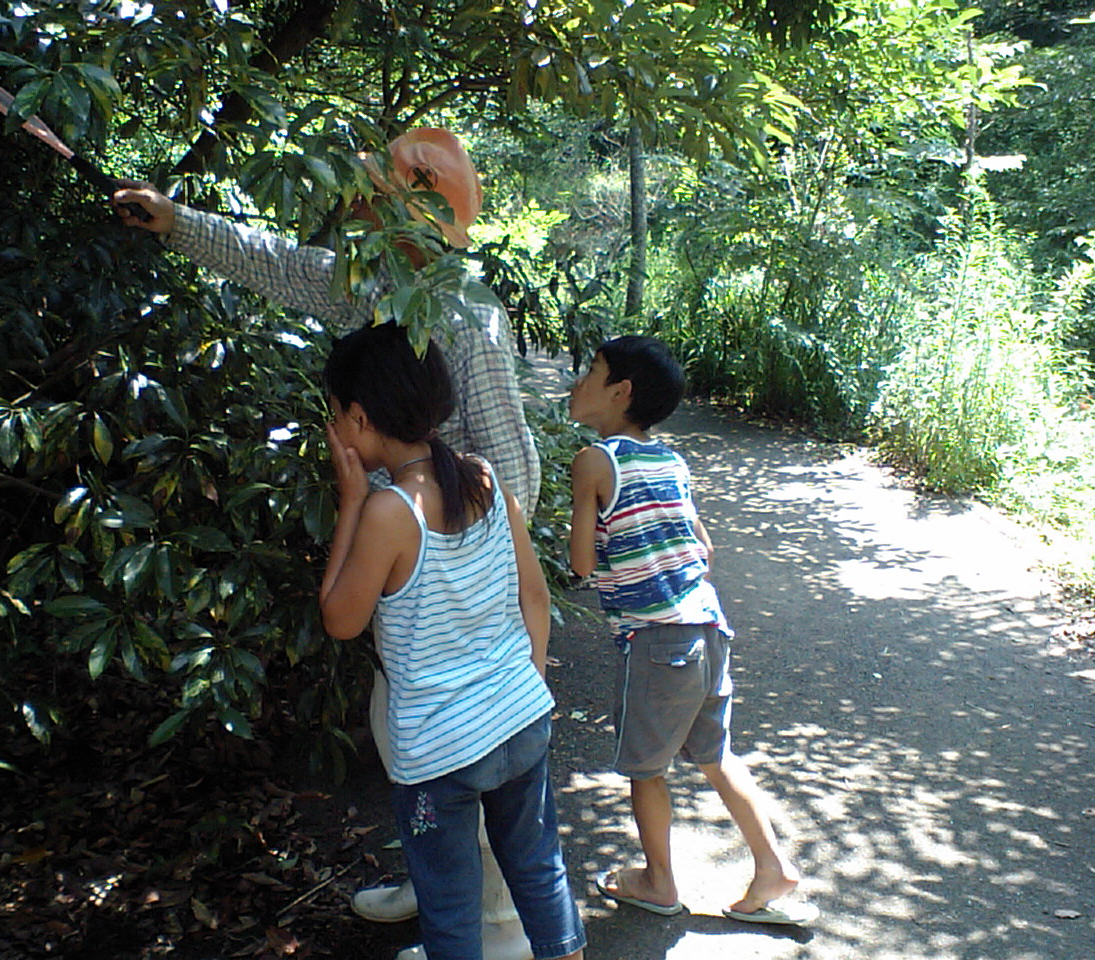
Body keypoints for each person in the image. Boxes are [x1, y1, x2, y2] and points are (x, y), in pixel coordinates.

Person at [112, 129, 539, 959]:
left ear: (418, 205)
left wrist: (492, 590)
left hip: (450, 576)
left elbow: (511, 459)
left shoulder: (467, 313)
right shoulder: (377, 285)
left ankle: (496, 929)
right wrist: (176, 222)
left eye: (379, 196)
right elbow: (277, 262)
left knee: (459, 742)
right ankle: (438, 883)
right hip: (406, 567)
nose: (359, 210)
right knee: (405, 733)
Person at [319, 321, 585, 960]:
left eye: (336, 416)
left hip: (439, 753)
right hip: (519, 719)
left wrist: (351, 500)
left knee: (449, 904)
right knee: (537, 868)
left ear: (360, 417)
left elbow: (339, 619)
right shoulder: (484, 478)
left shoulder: (389, 511)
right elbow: (536, 597)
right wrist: (529, 688)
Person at [567, 335, 818, 927]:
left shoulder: (595, 462)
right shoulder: (671, 461)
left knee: (646, 769)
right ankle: (771, 866)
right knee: (715, 753)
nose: (578, 381)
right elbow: (703, 547)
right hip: (708, 626)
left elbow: (579, 563)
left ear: (621, 393)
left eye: (592, 371)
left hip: (658, 641)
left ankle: (657, 882)